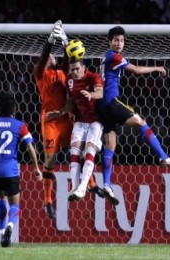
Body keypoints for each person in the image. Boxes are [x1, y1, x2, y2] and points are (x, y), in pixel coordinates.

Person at [98, 26, 170, 205]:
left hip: (102, 106)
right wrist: (157, 67)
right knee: (141, 122)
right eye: (115, 40)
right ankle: (163, 156)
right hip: (112, 101)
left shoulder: (106, 57)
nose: (118, 43)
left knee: (110, 145)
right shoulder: (114, 56)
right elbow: (136, 70)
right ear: (109, 41)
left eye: (121, 40)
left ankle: (106, 184)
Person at [33, 21, 103, 218]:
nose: (51, 57)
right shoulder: (40, 73)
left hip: (66, 119)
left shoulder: (64, 72)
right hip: (50, 123)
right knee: (50, 159)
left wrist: (63, 39)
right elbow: (44, 56)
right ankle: (47, 202)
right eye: (49, 57)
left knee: (81, 151)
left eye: (54, 56)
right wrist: (49, 41)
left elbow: (69, 57)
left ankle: (90, 184)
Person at [0, 93, 42, 247]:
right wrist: (36, 168)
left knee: (0, 198)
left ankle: (2, 233)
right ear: (15, 109)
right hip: (10, 170)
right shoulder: (19, 125)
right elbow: (29, 147)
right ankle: (10, 226)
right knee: (14, 204)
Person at [46, 58, 104, 201]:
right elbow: (70, 103)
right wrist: (60, 113)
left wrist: (91, 95)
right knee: (74, 150)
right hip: (80, 119)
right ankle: (74, 188)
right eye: (72, 70)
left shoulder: (93, 77)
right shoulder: (70, 81)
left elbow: (101, 92)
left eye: (77, 69)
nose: (75, 72)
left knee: (90, 149)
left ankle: (83, 187)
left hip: (95, 120)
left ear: (84, 68)